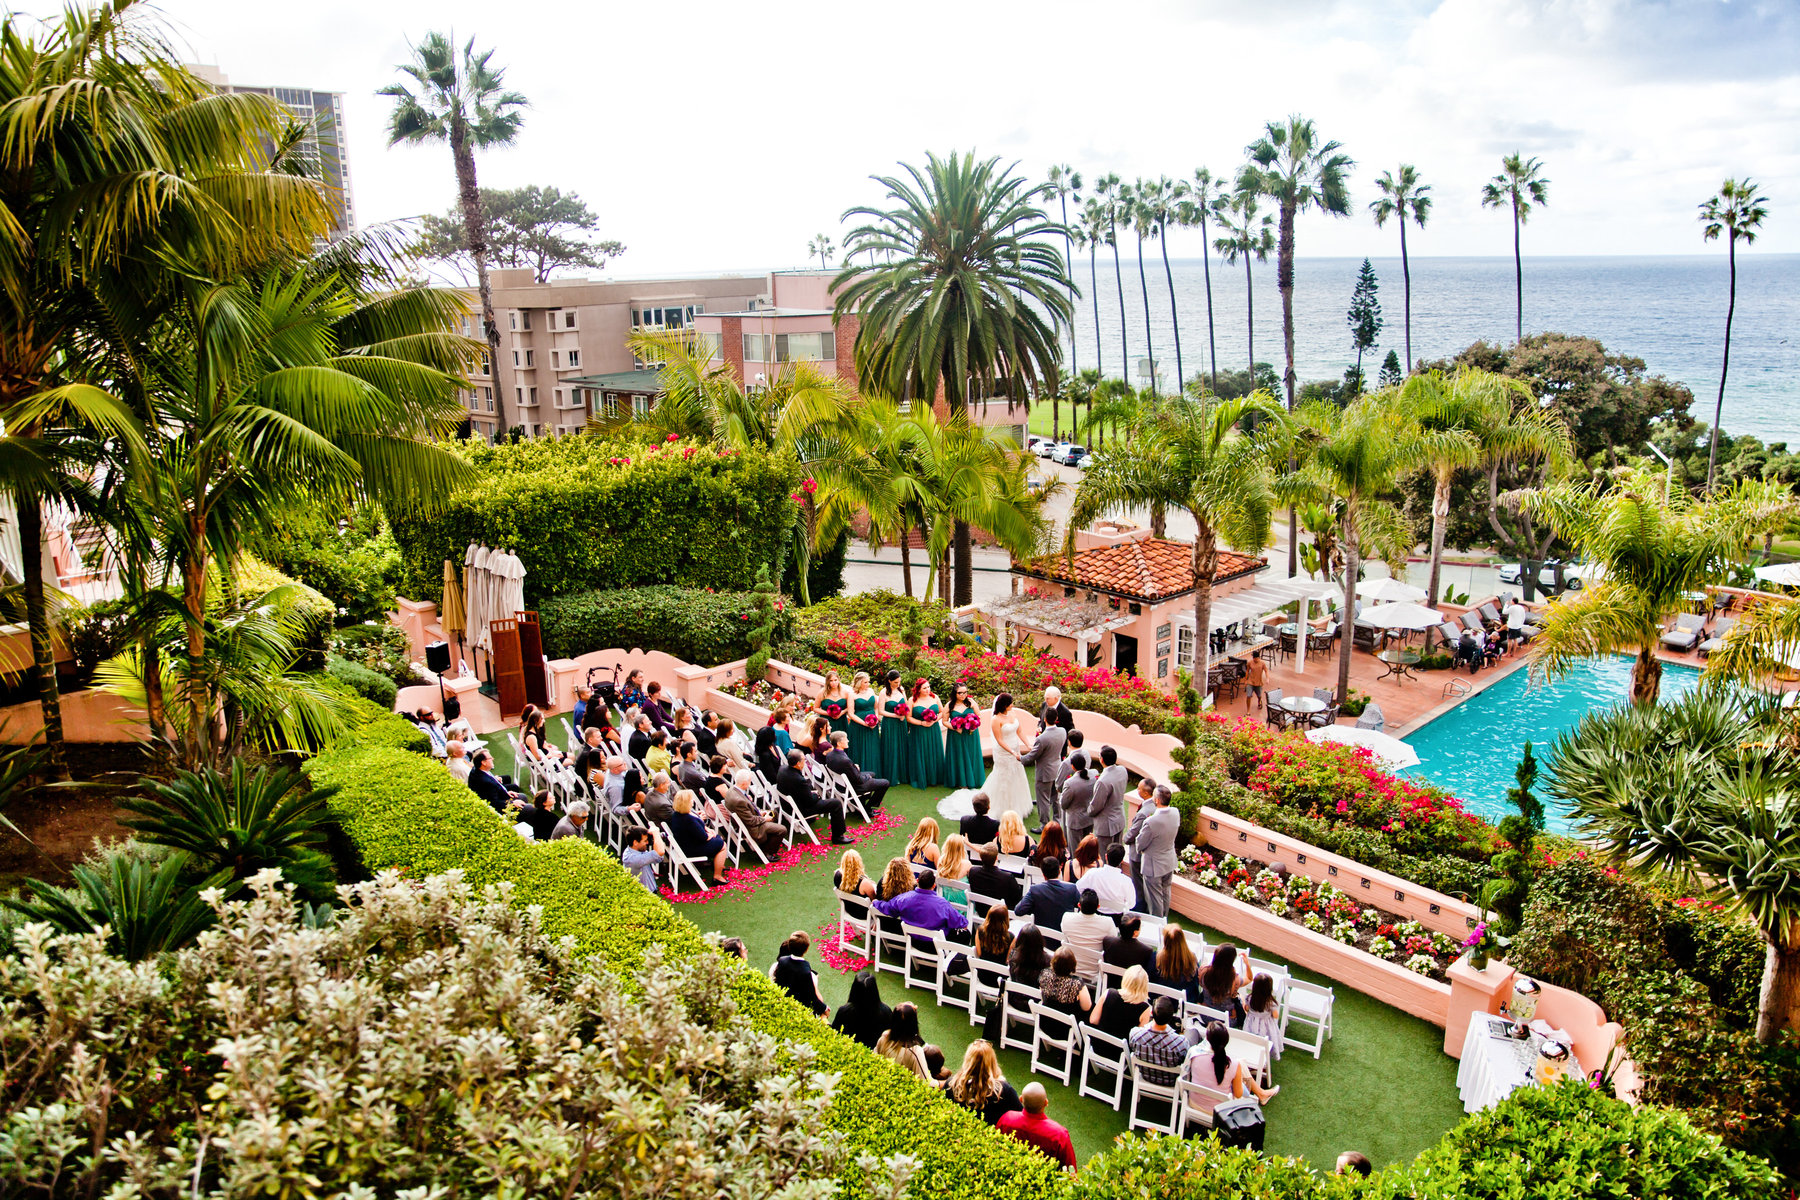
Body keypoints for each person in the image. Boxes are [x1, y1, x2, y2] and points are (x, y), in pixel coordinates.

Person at [1185, 1020, 1279, 1112]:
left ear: (1208, 1039)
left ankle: (1261, 1094)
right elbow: (1238, 1094)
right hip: (1222, 1112)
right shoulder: (1233, 1065)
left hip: (1194, 1104)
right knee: (1240, 1065)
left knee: (1240, 1064)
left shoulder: (1194, 1054)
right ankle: (1261, 1094)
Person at [976, 692, 1034, 822]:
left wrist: (1028, 744)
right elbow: (999, 740)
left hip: (1015, 749)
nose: (1012, 705)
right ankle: (1002, 808)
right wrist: (1012, 752)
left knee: (1017, 774)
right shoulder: (995, 719)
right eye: (1010, 703)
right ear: (1004, 705)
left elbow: (1019, 731)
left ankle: (1019, 805)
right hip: (1003, 752)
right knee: (1004, 777)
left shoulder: (1013, 713)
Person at [996, 1082, 1078, 1169]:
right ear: (1046, 1103)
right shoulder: (1059, 1134)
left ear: (1021, 1099)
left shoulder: (1006, 1119)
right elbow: (1071, 1170)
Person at [870, 869, 970, 940]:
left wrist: (876, 902)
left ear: (917, 881)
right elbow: (963, 924)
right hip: (934, 944)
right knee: (965, 935)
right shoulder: (942, 904)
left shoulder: (903, 899)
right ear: (933, 886)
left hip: (912, 940)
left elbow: (887, 907)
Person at [778, 747, 850, 844]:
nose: (805, 762)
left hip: (787, 806)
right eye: (804, 760)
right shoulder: (798, 780)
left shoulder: (782, 769)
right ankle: (838, 836)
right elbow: (810, 801)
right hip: (799, 809)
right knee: (836, 803)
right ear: (798, 763)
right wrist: (817, 795)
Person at [1131, 785, 1182, 918]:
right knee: (1165, 892)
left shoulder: (1151, 821)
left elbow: (1140, 844)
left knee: (1155, 899)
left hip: (1153, 865)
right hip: (1169, 861)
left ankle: (1158, 923)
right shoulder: (1175, 812)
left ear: (1157, 800)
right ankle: (1164, 919)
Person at [945, 1040, 1022, 1125]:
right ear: (992, 1062)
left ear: (967, 1061)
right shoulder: (1004, 1090)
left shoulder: (951, 1084)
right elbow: (1020, 1116)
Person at [1017, 714, 1068, 831]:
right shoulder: (1062, 731)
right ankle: (1057, 822)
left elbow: (1032, 756)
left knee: (1043, 800)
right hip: (1057, 769)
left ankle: (1044, 825)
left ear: (1045, 719)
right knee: (1055, 798)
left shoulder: (1042, 738)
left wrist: (1020, 758)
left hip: (1044, 773)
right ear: (1056, 719)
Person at [1128, 996, 1192, 1088]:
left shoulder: (1135, 1034)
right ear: (1171, 1017)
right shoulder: (1181, 1043)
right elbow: (1186, 1061)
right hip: (1171, 1082)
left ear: (1152, 1013)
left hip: (1145, 1076)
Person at [724, 769, 788, 857]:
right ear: (743, 783)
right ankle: (767, 852)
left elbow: (745, 810)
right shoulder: (739, 801)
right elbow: (750, 821)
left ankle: (770, 840)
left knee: (774, 813)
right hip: (752, 828)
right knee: (782, 829)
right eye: (749, 781)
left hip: (747, 819)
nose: (750, 783)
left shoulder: (732, 790)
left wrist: (759, 812)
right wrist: (764, 819)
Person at [823, 731, 889, 809]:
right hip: (852, 786)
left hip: (840, 782)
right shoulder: (844, 760)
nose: (848, 741)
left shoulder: (830, 754)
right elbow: (859, 780)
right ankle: (868, 808)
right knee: (885, 783)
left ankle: (862, 799)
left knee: (873, 773)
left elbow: (844, 768)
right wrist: (867, 777)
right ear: (839, 743)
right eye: (846, 739)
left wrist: (853, 767)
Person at [1058, 890, 1114, 982]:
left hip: (1070, 967)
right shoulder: (1108, 922)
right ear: (1098, 907)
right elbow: (1112, 941)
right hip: (1095, 972)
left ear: (1079, 905)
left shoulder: (1067, 918)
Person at [669, 790, 727, 877]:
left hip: (685, 844)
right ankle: (717, 876)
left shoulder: (677, 814)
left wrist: (705, 827)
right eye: (691, 799)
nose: (692, 800)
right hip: (691, 849)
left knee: (718, 839)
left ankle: (718, 864)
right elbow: (704, 837)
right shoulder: (689, 820)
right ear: (686, 803)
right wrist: (712, 834)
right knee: (722, 844)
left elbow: (695, 829)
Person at [770, 932, 829, 1016]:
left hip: (782, 1002)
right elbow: (811, 996)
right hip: (798, 1009)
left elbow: (778, 982)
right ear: (807, 949)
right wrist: (824, 1008)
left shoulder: (782, 960)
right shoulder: (805, 971)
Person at [830, 969, 892, 1049]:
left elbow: (834, 1033)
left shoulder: (844, 1011)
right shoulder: (886, 1011)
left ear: (854, 989)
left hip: (849, 1051)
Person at [1016, 856, 1080, 931]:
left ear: (1043, 874)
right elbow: (1082, 908)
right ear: (1059, 871)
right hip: (1064, 933)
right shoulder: (1071, 889)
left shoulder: (1035, 890)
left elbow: (1019, 910)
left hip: (1041, 934)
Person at [1090, 964, 1154, 1038]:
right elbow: (1138, 1037)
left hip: (1098, 1042)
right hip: (1122, 1045)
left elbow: (1093, 1020)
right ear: (1144, 985)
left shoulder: (1108, 993)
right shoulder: (1144, 1009)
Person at [906, 678, 947, 789]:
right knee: (921, 752)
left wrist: (934, 720)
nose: (927, 689)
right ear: (918, 689)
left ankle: (935, 778)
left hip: (933, 730)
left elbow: (942, 712)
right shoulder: (912, 700)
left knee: (933, 751)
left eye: (928, 687)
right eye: (924, 688)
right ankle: (922, 777)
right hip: (918, 731)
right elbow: (908, 718)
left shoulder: (935, 697)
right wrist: (921, 723)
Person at [943, 683, 986, 789]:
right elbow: (944, 721)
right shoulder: (949, 705)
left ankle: (974, 779)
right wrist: (955, 728)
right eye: (960, 693)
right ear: (955, 693)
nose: (963, 695)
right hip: (956, 735)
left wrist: (974, 726)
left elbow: (978, 715)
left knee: (972, 754)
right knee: (959, 756)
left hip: (971, 734)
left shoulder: (971, 702)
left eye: (965, 692)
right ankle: (961, 781)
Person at [874, 1002, 931, 1078]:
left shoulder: (884, 1038)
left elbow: (874, 1058)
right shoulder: (915, 1051)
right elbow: (926, 1081)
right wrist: (944, 1082)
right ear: (913, 1023)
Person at [1090, 746, 1129, 857]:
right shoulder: (1122, 770)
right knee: (1117, 855)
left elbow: (1096, 805)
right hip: (1119, 819)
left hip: (1106, 825)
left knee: (1104, 856)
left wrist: (1088, 811)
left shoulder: (1102, 781)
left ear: (1101, 759)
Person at [1079, 843, 1137, 916]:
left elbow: (1079, 888)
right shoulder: (1126, 881)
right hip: (1116, 919)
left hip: (1095, 914)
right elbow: (1131, 904)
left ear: (1106, 856)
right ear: (1122, 861)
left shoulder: (1093, 873)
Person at [1201, 944, 1252, 1026]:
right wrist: (1247, 964)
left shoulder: (1204, 971)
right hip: (1226, 1022)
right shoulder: (1235, 980)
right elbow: (1249, 978)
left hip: (1205, 1016)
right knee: (1241, 998)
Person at [1037, 946, 1093, 1018]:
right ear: (1073, 964)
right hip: (1067, 1023)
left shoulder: (1045, 974)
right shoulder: (1077, 984)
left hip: (1046, 1020)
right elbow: (1086, 1007)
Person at [467, 749, 527, 815]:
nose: (493, 759)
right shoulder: (485, 782)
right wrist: (513, 803)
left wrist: (506, 792)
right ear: (483, 762)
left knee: (520, 795)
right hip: (502, 809)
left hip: (501, 797)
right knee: (526, 803)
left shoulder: (477, 770)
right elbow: (494, 803)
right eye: (490, 758)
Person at [1154, 923, 1203, 1003]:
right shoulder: (1192, 959)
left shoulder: (1156, 958)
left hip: (1160, 1001)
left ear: (1165, 941)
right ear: (1183, 940)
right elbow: (1195, 985)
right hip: (1185, 1002)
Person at [878, 670, 910, 788]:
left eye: (899, 682)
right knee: (891, 747)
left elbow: (906, 705)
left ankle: (902, 775)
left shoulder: (901, 690)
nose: (898, 684)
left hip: (901, 723)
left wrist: (903, 713)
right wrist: (895, 715)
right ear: (889, 681)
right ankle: (892, 775)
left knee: (902, 746)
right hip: (890, 723)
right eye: (895, 682)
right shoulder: (883, 692)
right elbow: (881, 711)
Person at [967, 844, 1024, 909]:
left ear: (980, 857)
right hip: (1000, 912)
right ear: (996, 858)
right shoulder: (1007, 877)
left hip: (981, 910)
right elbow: (1018, 897)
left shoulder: (973, 872)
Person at [1242, 973, 1283, 1060]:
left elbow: (1246, 1009)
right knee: (1266, 1042)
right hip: (1266, 1026)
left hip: (1251, 1024)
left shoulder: (1250, 998)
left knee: (1251, 1040)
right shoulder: (1270, 1003)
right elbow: (1275, 1015)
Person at [1059, 752, 1096, 848]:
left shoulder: (1070, 783)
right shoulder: (1094, 775)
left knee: (1075, 849)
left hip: (1075, 822)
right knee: (1087, 848)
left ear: (1072, 766)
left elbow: (1063, 804)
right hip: (1089, 818)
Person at [847, 672, 882, 773]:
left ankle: (874, 772)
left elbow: (876, 707)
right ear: (859, 683)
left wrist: (875, 720)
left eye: (868, 682)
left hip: (873, 726)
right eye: (865, 682)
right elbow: (851, 713)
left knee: (872, 748)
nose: (868, 684)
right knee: (860, 748)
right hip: (858, 726)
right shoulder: (852, 694)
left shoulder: (871, 691)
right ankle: (859, 774)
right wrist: (865, 723)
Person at [620, 825, 665, 891]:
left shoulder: (636, 850)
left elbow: (658, 858)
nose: (647, 842)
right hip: (645, 894)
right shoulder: (632, 859)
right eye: (645, 841)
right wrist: (656, 833)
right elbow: (660, 852)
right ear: (635, 842)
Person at [937, 834, 973, 904]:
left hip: (945, 900)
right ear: (961, 848)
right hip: (963, 903)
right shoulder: (967, 864)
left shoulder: (941, 861)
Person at [818, 668, 852, 740]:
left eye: (835, 680)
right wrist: (829, 713)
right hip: (827, 722)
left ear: (838, 680)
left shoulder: (845, 692)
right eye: (831, 681)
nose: (833, 683)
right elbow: (816, 708)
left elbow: (849, 707)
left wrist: (841, 713)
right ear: (827, 682)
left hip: (841, 721)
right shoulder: (822, 693)